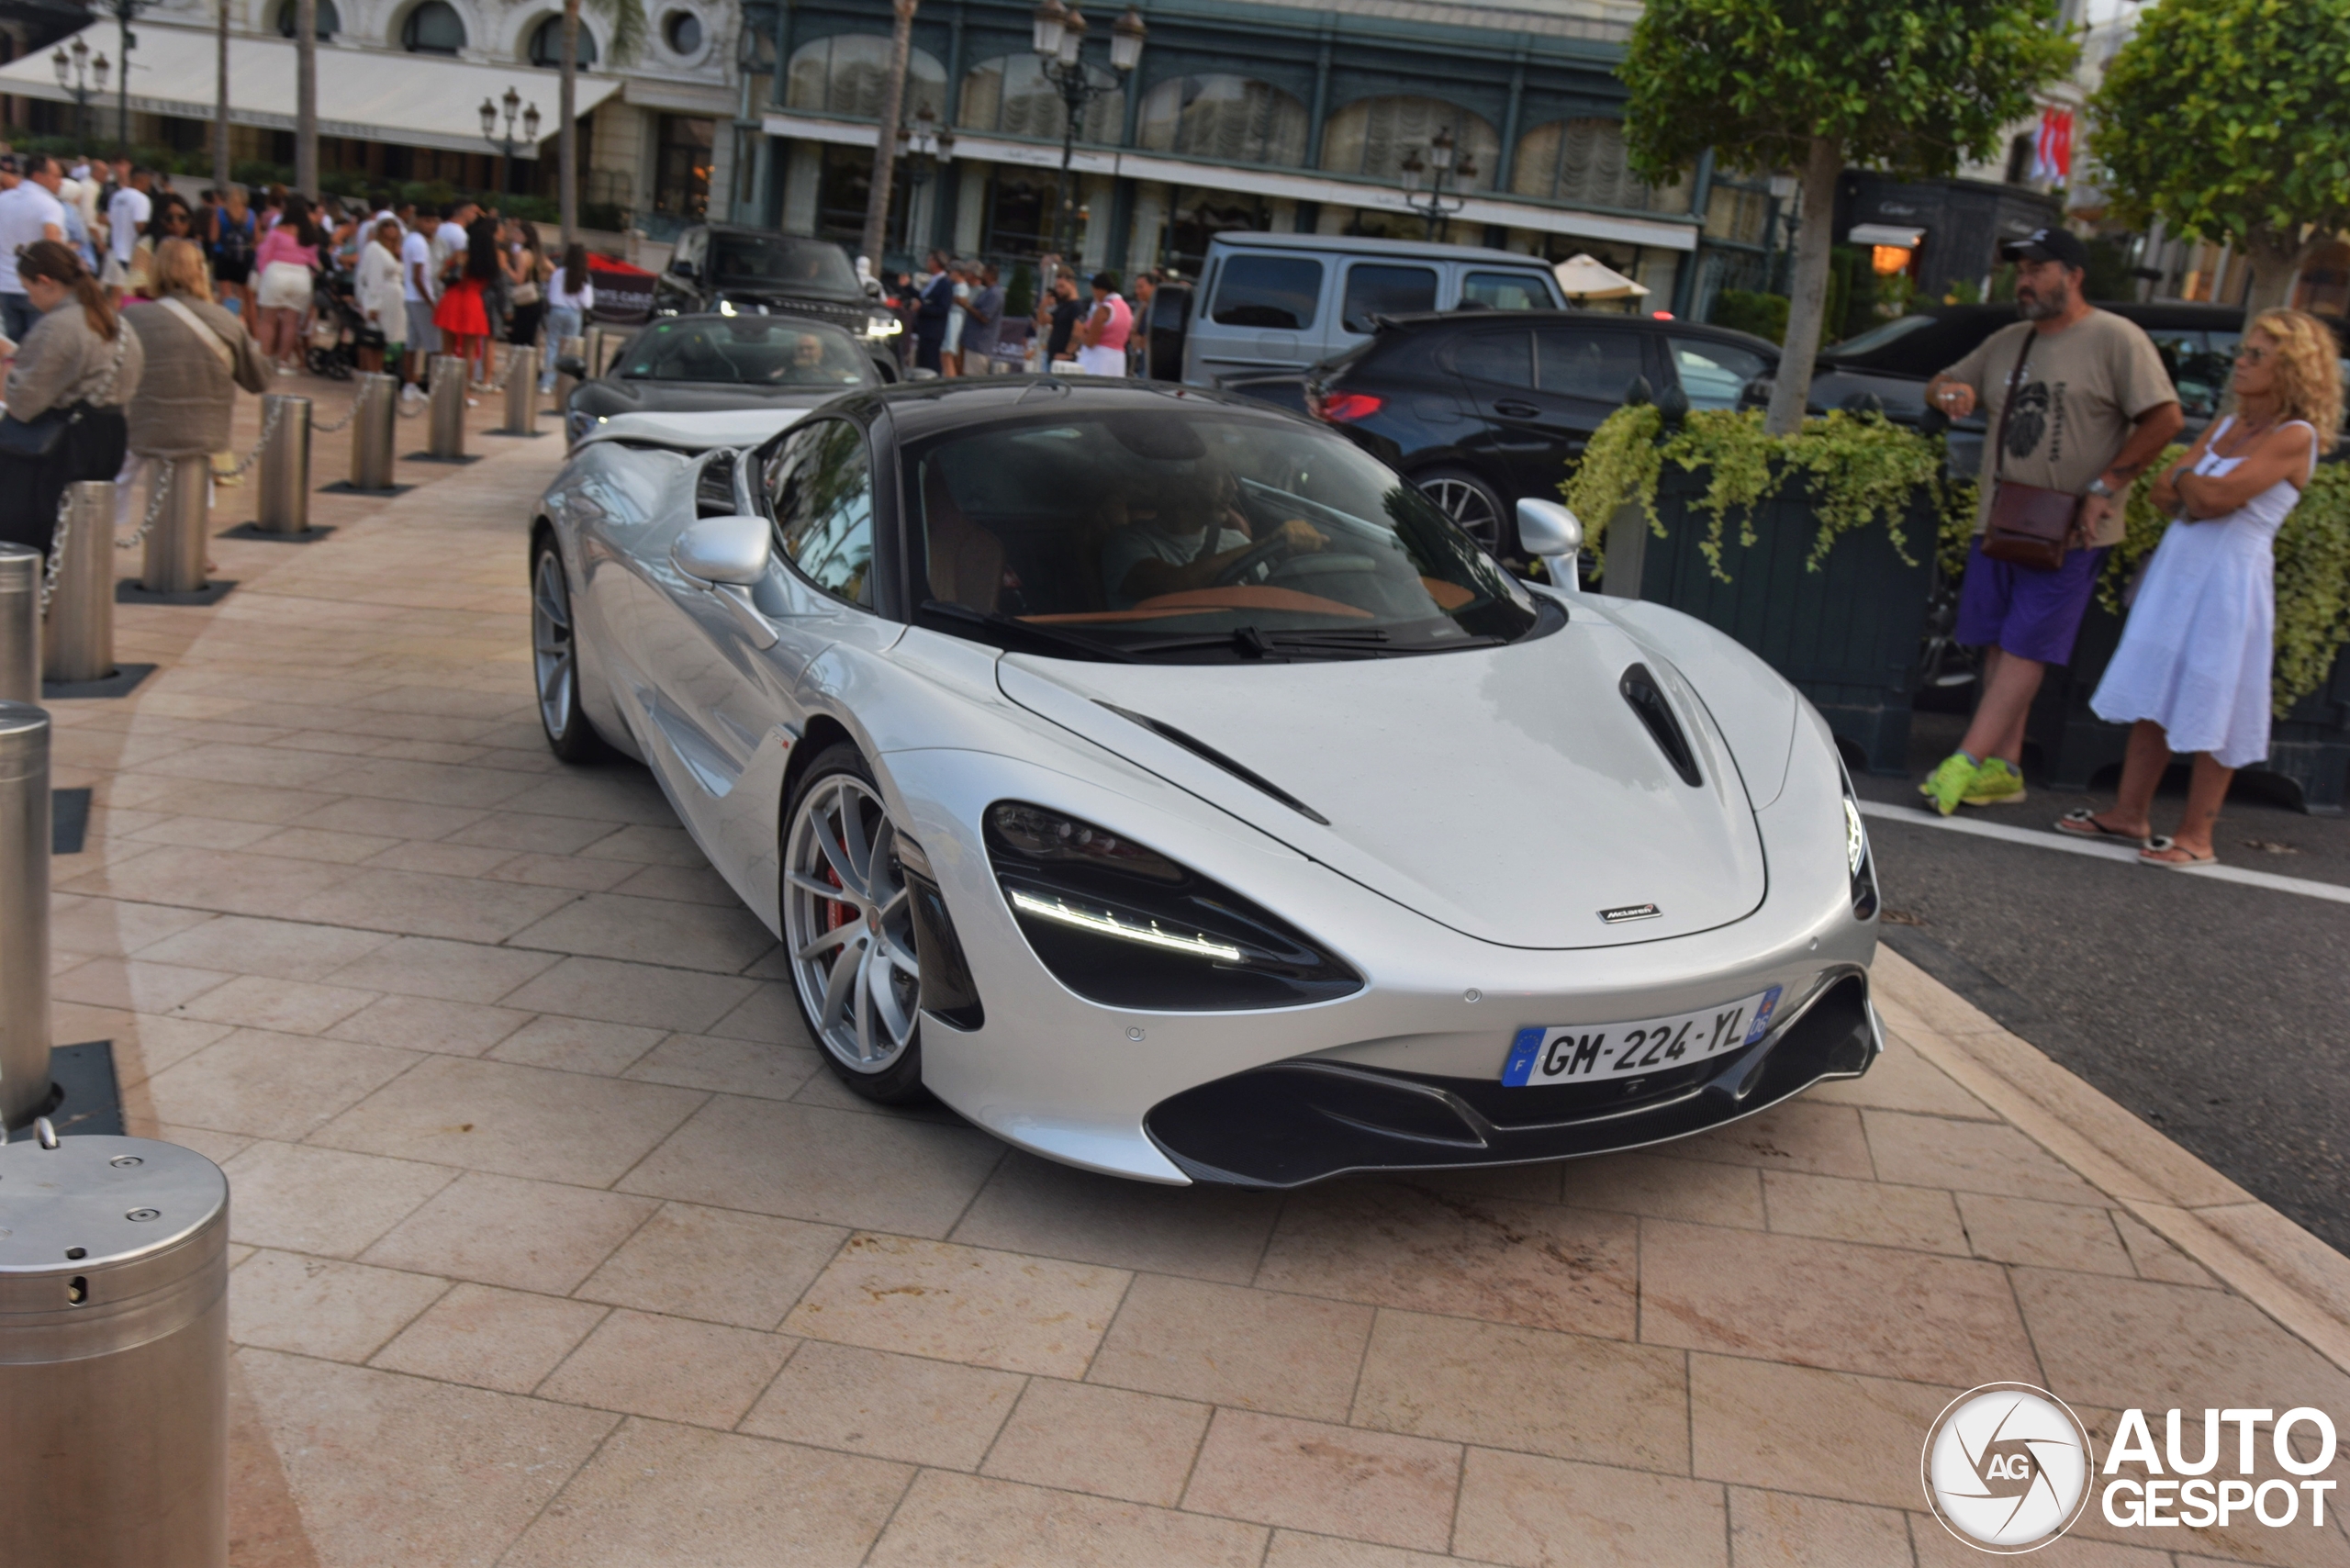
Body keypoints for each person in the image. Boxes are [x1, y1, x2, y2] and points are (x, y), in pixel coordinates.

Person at [2055, 313, 2342, 867]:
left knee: (2217, 694)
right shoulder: (2227, 426)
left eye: (2257, 355)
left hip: (2230, 583)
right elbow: (2164, 493)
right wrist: (2195, 486)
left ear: (2292, 369)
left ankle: (2197, 835)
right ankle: (2129, 813)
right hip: (2180, 571)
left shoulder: (2295, 436)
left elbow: (2208, 499)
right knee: (2155, 687)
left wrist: (2192, 484)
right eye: (2244, 350)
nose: (2241, 361)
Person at [1918, 227, 2185, 815]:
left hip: (2070, 528)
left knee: (2025, 647)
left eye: (2039, 269)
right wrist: (1950, 395)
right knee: (1996, 643)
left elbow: (2165, 418)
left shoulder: (2116, 339)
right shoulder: (2010, 340)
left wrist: (2106, 485)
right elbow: (1943, 381)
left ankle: (1963, 760)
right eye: (2021, 271)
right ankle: (2002, 768)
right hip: (2002, 517)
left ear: (2073, 275)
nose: (2027, 281)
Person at [0, 241, 143, 560]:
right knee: (78, 544)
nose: (29, 298)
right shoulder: (117, 321)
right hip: (108, 436)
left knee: (31, 539)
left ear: (45, 282)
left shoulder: (60, 326)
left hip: (62, 448)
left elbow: (22, 403)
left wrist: (7, 366)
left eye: (29, 288)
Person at [119, 237, 270, 533]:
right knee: (198, 475)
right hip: (203, 432)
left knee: (116, 478)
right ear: (201, 271)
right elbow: (259, 379)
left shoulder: (133, 317)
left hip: (144, 426)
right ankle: (195, 551)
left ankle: (95, 542)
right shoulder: (224, 320)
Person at [1099, 469, 1327, 609]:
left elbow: (1272, 600)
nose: (1233, 487)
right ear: (1180, 485)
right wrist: (1265, 544)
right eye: (1218, 475)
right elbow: (1174, 585)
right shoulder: (1125, 544)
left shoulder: (1236, 541)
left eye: (1232, 475)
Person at [252, 193, 323, 374]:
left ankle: (265, 358)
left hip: (277, 273)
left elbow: (264, 255)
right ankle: (283, 362)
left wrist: (262, 275)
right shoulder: (310, 234)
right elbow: (313, 262)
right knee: (291, 323)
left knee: (268, 320)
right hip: (301, 277)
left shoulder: (278, 231)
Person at [0, 153, 68, 342]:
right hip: (37, 288)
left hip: (5, 285)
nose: (60, 182)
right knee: (39, 348)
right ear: (38, 176)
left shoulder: (3, 199)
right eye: (56, 176)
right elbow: (52, 246)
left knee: (13, 348)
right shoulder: (50, 206)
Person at [432, 217, 498, 398]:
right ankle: (465, 392)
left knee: (447, 349)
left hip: (453, 299)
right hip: (473, 302)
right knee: (469, 353)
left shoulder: (461, 256)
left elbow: (441, 275)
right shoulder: (489, 260)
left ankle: (444, 389)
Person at [354, 218, 406, 375]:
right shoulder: (375, 249)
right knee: (373, 337)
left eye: (394, 226)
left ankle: (378, 369)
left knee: (383, 339)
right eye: (386, 226)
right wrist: (373, 305)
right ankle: (371, 370)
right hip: (381, 298)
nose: (391, 229)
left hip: (393, 300)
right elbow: (374, 279)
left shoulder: (393, 251)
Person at [540, 241, 593, 394]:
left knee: (552, 346)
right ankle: (565, 384)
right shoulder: (584, 276)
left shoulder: (558, 273)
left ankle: (547, 383)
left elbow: (550, 295)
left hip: (556, 311)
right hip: (574, 314)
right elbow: (587, 303)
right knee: (570, 350)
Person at [124, 195, 196, 306]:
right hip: (151, 307)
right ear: (159, 220)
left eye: (183, 218)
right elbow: (136, 284)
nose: (176, 223)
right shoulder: (148, 244)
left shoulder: (194, 248)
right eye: (169, 218)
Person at [400, 212, 439, 398]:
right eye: (427, 220)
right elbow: (418, 277)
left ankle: (410, 385)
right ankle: (436, 386)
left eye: (434, 221)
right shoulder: (419, 243)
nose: (431, 225)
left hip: (411, 297)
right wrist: (430, 302)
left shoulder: (411, 240)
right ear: (418, 221)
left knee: (412, 344)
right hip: (419, 299)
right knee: (434, 346)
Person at [102, 164, 151, 294]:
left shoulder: (117, 196)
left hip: (113, 253)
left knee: (110, 295)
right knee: (124, 296)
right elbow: (139, 226)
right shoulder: (142, 199)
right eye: (148, 182)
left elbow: (110, 221)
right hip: (129, 255)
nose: (149, 186)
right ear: (142, 180)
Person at [210, 183, 257, 319]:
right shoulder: (251, 215)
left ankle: (229, 323)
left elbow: (213, 237)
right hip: (244, 258)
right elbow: (256, 239)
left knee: (226, 295)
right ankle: (248, 329)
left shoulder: (219, 212)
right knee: (246, 298)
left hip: (223, 256)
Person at [1076, 271, 1130, 377]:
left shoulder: (1104, 309)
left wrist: (1079, 334)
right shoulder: (1125, 308)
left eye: (1094, 291)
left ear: (1100, 290)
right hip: (1117, 361)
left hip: (1098, 362)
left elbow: (1091, 342)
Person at [506, 220, 547, 352]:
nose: (515, 235)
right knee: (530, 338)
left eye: (518, 232)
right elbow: (551, 268)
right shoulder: (536, 253)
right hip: (535, 299)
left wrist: (506, 267)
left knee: (520, 337)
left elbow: (519, 279)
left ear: (525, 236)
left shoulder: (522, 255)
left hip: (525, 301)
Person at [912, 262, 954, 377]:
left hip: (933, 332)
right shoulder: (933, 281)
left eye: (930, 261)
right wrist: (908, 288)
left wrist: (923, 308)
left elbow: (943, 309)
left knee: (931, 364)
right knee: (922, 363)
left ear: (936, 263)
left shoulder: (944, 284)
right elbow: (923, 297)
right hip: (924, 330)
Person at [963, 263, 1003, 375]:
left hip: (980, 345)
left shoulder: (995, 294)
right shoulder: (988, 291)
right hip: (973, 343)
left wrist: (966, 306)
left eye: (983, 274)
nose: (981, 277)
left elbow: (985, 318)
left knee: (973, 380)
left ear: (989, 275)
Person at [1044, 271, 1085, 365]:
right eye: (1057, 287)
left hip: (1063, 361)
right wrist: (1043, 305)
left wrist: (1068, 353)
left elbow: (1078, 332)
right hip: (1053, 357)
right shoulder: (1062, 305)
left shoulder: (1077, 306)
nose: (1059, 290)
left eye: (1062, 286)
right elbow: (1044, 321)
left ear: (1072, 285)